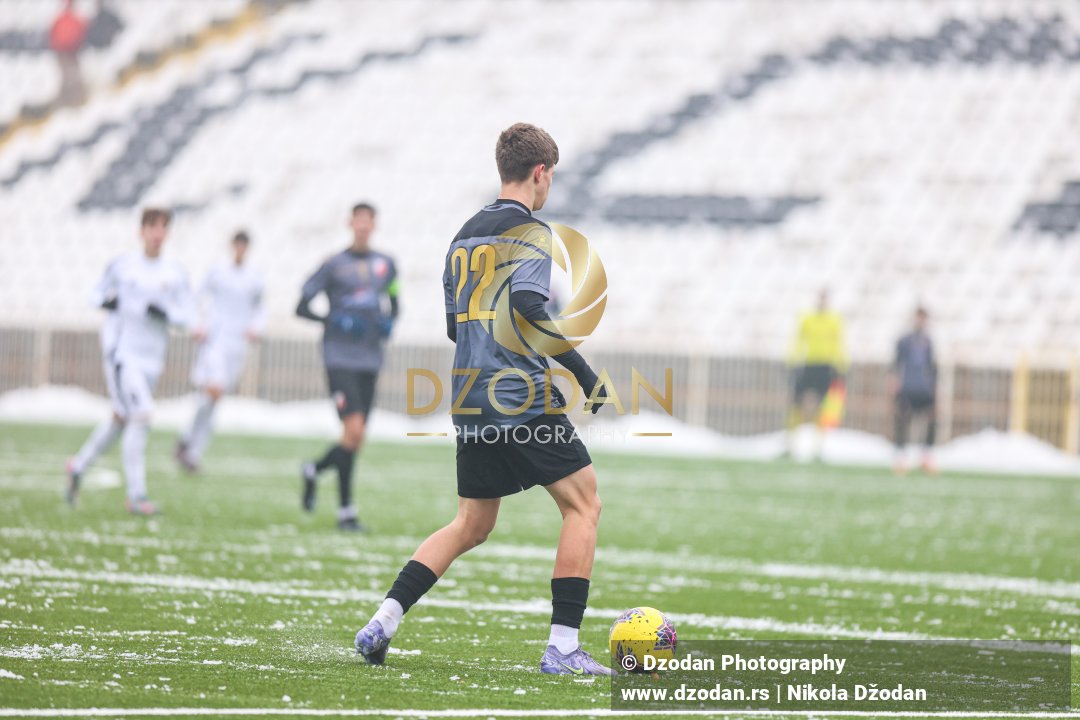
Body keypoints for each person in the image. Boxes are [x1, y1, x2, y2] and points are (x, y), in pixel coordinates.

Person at [353, 123, 613, 676]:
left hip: (471, 395)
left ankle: (383, 621)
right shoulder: (532, 231)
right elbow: (530, 308)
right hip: (518, 393)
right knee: (583, 504)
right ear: (540, 173)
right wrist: (585, 374)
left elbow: (455, 326)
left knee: (471, 523)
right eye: (551, 177)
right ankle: (563, 648)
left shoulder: (463, 236)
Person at [66, 208, 194, 514]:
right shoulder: (123, 266)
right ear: (142, 231)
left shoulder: (174, 272)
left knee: (122, 418)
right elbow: (94, 294)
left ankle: (78, 467)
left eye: (163, 227)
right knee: (143, 415)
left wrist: (166, 314)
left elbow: (187, 316)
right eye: (152, 227)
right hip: (124, 355)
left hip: (153, 359)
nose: (157, 233)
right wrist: (106, 301)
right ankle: (136, 496)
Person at [296, 203, 399, 532]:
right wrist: (332, 320)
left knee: (354, 438)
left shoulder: (386, 265)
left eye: (368, 222)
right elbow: (301, 305)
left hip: (370, 358)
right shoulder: (333, 265)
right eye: (359, 221)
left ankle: (330, 492)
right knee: (354, 431)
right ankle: (342, 507)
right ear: (350, 224)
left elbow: (395, 300)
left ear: (374, 225)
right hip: (339, 358)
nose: (363, 227)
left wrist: (389, 322)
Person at [175, 231, 265, 473]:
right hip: (215, 340)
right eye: (237, 245)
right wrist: (197, 325)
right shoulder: (217, 271)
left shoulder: (254, 277)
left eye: (244, 245)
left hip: (237, 344)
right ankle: (188, 442)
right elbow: (197, 297)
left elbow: (260, 308)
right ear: (232, 245)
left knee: (213, 399)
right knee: (214, 389)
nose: (240, 249)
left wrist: (256, 328)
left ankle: (190, 449)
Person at [784, 289, 848, 459]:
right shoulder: (807, 319)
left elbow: (839, 344)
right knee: (796, 404)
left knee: (822, 408)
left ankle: (818, 447)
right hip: (808, 364)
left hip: (826, 367)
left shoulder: (834, 320)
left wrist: (841, 366)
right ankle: (790, 444)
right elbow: (798, 341)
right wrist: (792, 362)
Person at [890, 307, 938, 475]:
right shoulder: (904, 341)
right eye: (918, 318)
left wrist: (933, 387)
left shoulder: (928, 341)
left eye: (923, 318)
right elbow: (896, 363)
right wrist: (894, 381)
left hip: (924, 388)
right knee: (903, 420)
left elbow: (932, 366)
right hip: (907, 387)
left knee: (930, 420)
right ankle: (901, 458)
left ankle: (926, 457)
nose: (920, 321)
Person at [49, 0, 87, 107]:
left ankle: (76, 101)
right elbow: (53, 35)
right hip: (63, 53)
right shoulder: (61, 19)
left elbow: (81, 34)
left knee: (73, 77)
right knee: (67, 77)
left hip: (72, 53)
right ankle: (67, 102)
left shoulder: (76, 19)